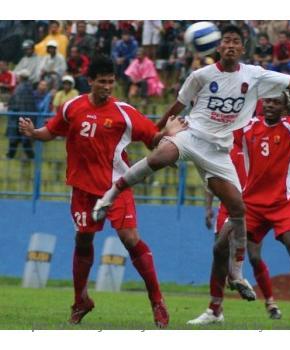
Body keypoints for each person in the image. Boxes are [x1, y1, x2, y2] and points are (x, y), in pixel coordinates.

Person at [92, 25, 290, 312]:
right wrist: (157, 132)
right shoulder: (200, 76)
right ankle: (109, 196)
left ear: (242, 49)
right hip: (193, 136)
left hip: (219, 152)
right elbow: (177, 106)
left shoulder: (254, 75)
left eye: (235, 42)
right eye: (226, 40)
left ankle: (237, 274)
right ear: (217, 46)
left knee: (238, 209)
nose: (230, 45)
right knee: (158, 159)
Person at [18, 55, 187, 328]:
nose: (108, 86)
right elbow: (52, 131)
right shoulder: (72, 106)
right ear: (90, 82)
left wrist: (168, 132)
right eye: (102, 82)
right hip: (82, 190)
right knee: (83, 240)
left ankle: (157, 300)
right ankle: (80, 300)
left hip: (117, 187)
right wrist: (33, 132)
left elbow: (152, 139)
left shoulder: (124, 112)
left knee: (129, 238)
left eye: (111, 82)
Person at [196, 92, 290, 330]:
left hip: (283, 203)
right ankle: (224, 296)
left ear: (285, 106)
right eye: (267, 101)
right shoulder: (247, 128)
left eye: (276, 102)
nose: (270, 105)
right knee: (219, 247)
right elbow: (218, 133)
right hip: (250, 206)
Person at [6, 69, 37, 159]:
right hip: (24, 115)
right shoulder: (28, 87)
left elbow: (18, 102)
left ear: (21, 77)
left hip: (19, 115)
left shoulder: (21, 88)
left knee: (19, 137)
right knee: (21, 138)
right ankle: (13, 155)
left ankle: (13, 155)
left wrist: (11, 107)